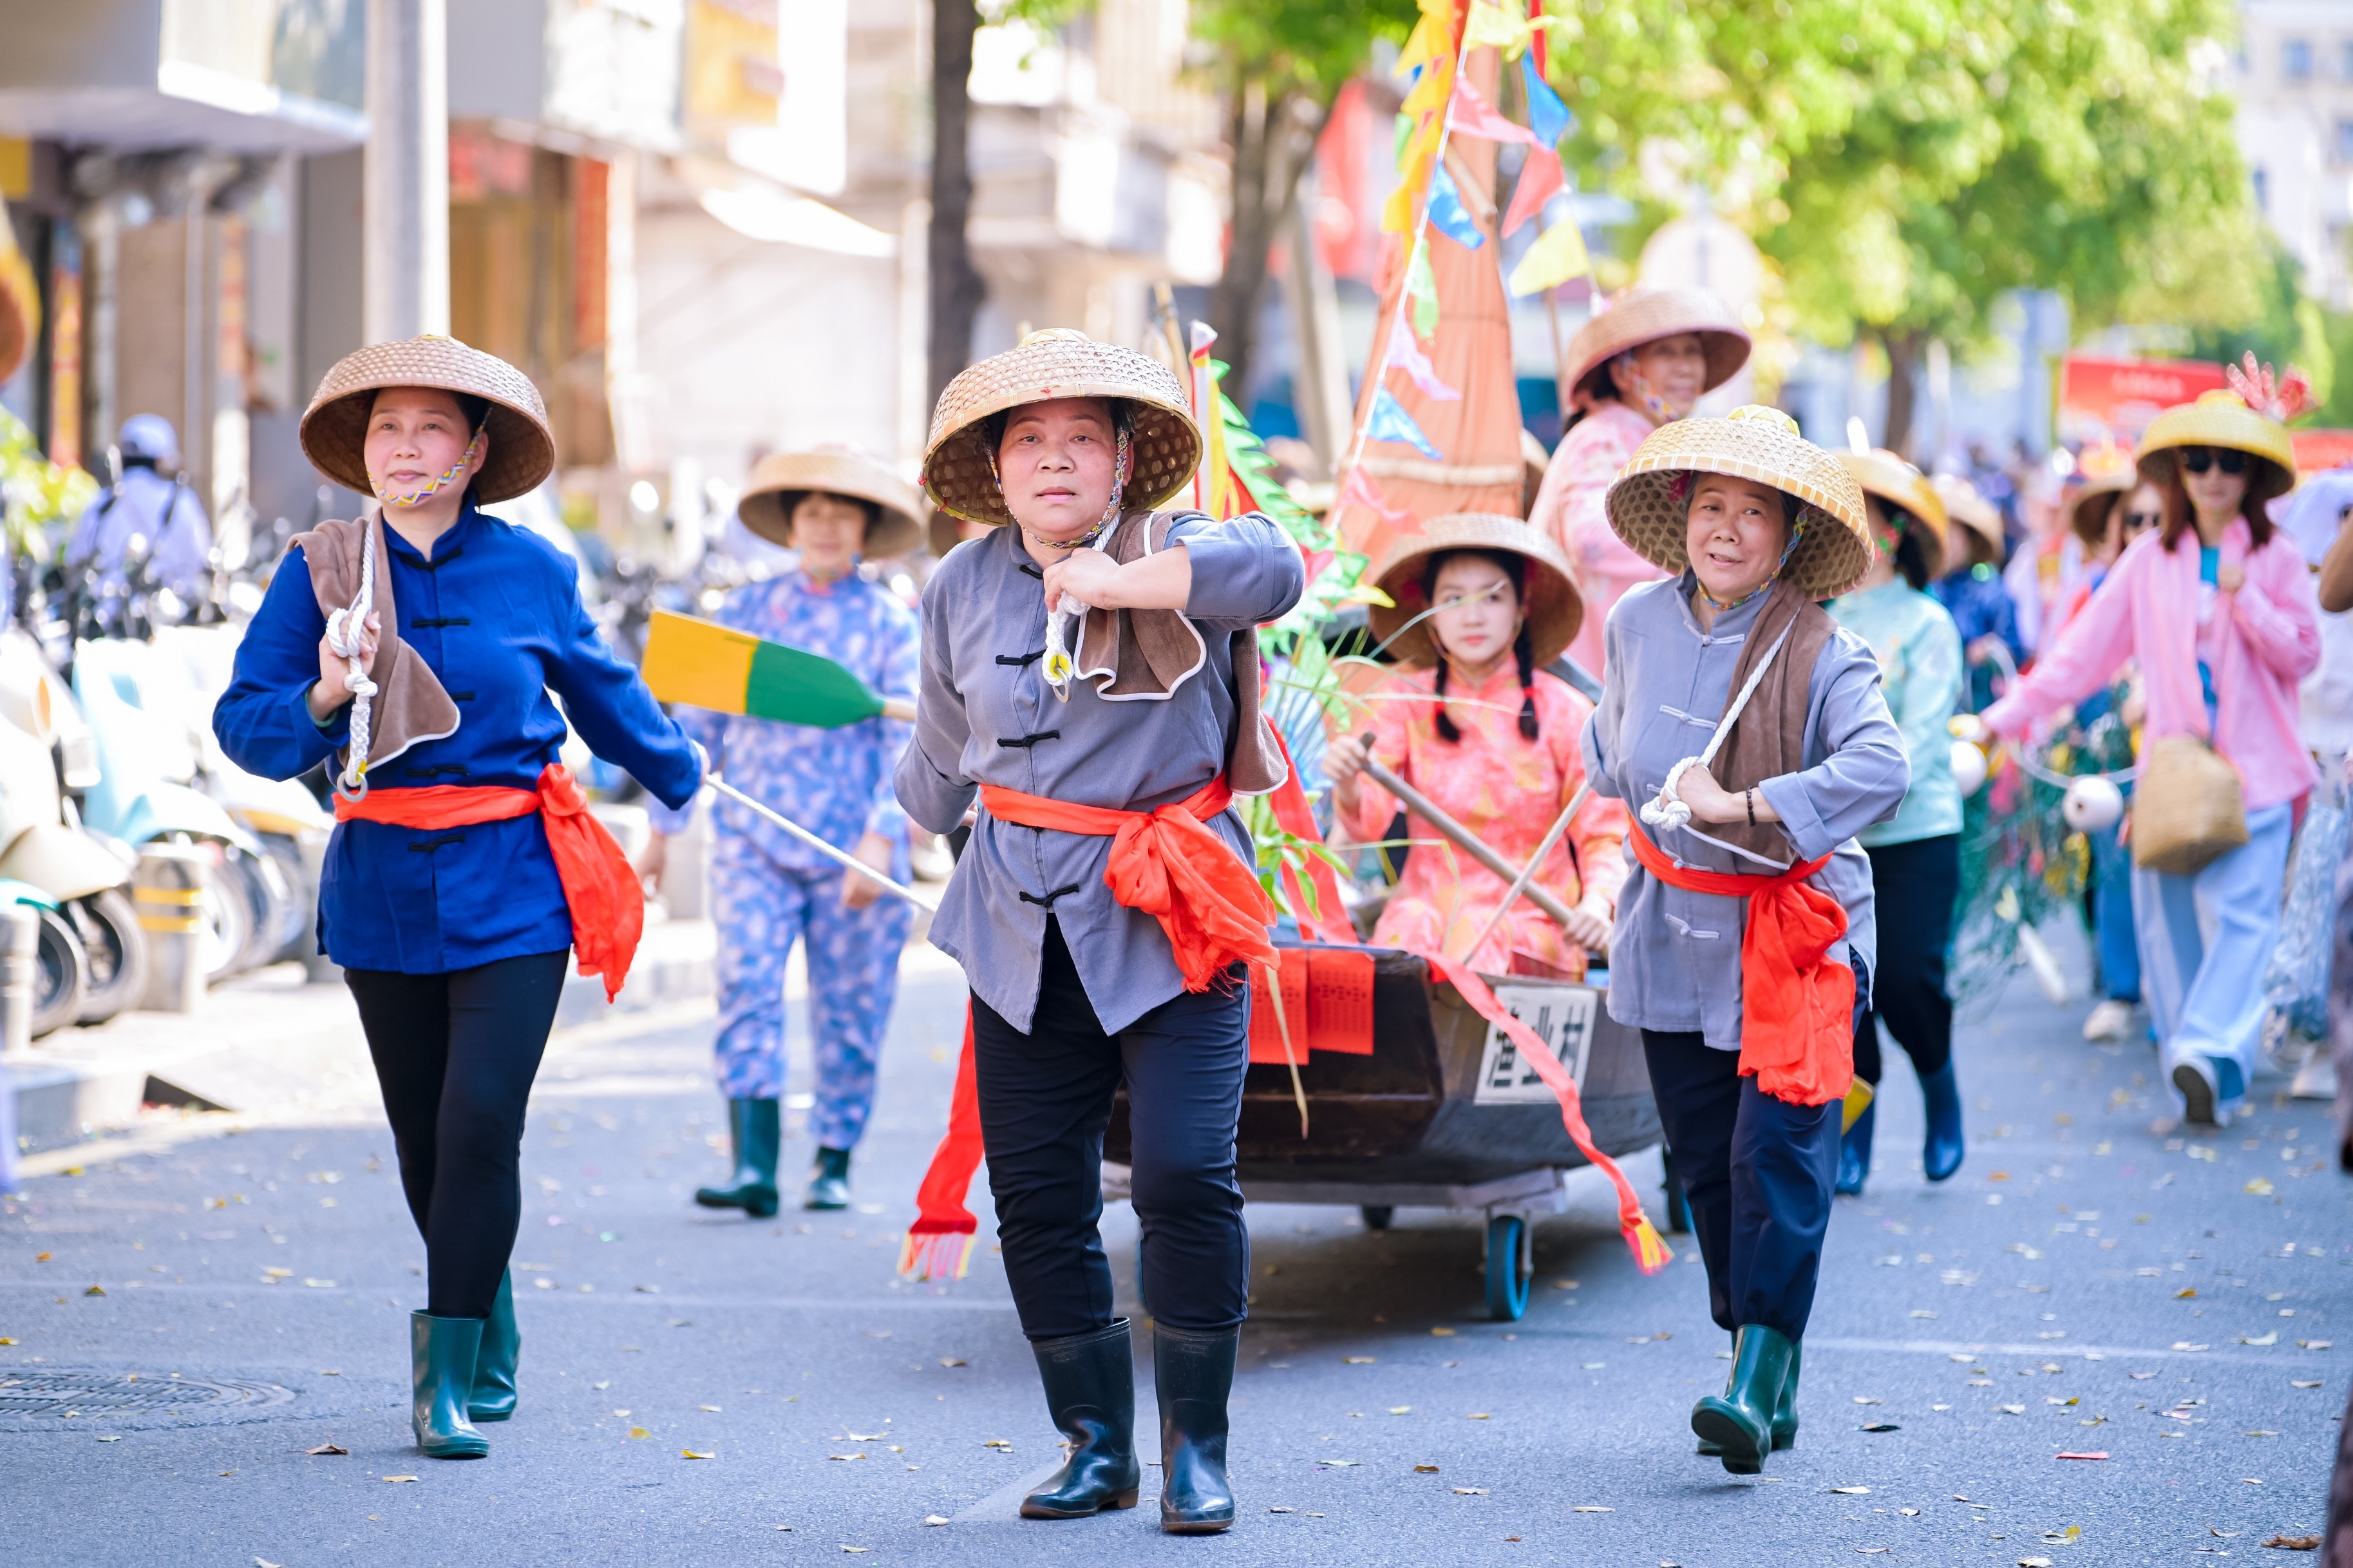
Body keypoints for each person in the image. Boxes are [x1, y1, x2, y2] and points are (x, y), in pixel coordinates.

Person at [213, 335, 702, 1459]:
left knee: (481, 1120)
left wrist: (680, 780)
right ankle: (485, 1304)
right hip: (380, 884)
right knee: (426, 1146)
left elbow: (602, 688)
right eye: (387, 428)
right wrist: (328, 688)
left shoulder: (534, 570)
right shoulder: (319, 568)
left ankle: (439, 1380)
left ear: (475, 451)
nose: (405, 447)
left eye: (431, 427)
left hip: (514, 881)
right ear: (364, 452)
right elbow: (244, 723)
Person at [895, 328, 1303, 1533]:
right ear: (997, 469)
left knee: (1182, 1174)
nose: (1055, 460)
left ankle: (1196, 1452)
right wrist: (901, 818)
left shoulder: (1177, 549)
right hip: (1012, 916)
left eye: (1083, 438)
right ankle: (1092, 1446)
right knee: (1036, 1195)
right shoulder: (958, 587)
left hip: (1167, 906)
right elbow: (935, 753)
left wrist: (1120, 585)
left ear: (1125, 465)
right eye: (1029, 441)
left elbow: (1276, 569)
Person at [1582, 405, 1906, 1474]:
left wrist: (1744, 804)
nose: (1726, 530)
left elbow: (1880, 769)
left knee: (1776, 1159)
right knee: (1708, 1176)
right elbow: (1603, 755)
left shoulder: (1823, 649)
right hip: (1667, 936)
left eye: (1751, 513)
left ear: (1787, 534)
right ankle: (1763, 1365)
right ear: (1679, 517)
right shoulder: (1629, 624)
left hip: (1795, 938)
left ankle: (1750, 1378)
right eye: (1708, 506)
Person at [1975, 379, 2321, 1126]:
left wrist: (2246, 598)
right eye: (2198, 460)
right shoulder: (2148, 560)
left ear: (2254, 473)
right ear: (2177, 473)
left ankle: (2204, 1045)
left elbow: (2303, 655)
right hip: (2171, 772)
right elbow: (2078, 659)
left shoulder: (2277, 556)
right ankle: (2202, 1076)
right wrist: (2001, 720)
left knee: (2247, 920)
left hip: (2258, 777)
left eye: (2231, 461)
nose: (2215, 475)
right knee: (2165, 927)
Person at [642, 448, 921, 1216]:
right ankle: (753, 1166)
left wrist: (882, 838)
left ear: (865, 529)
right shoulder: (745, 615)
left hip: (851, 852)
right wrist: (664, 829)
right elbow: (693, 731)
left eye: (842, 514)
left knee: (853, 1009)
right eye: (811, 514)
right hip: (753, 838)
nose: (826, 527)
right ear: (791, 527)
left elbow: (913, 742)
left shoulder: (894, 626)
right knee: (747, 989)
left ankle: (834, 1158)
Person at [1324, 513, 1625, 977]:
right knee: (1403, 942)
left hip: (1533, 920)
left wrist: (1598, 902)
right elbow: (1368, 821)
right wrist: (1348, 781)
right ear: (1429, 611)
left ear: (1522, 607)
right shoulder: (1404, 702)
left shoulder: (1566, 709)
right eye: (1454, 599)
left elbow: (1603, 831)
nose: (1472, 614)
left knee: (1478, 932)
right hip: (1424, 911)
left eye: (1492, 596)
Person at [1827, 449, 1965, 1195]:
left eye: (1863, 517)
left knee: (1908, 980)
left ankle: (1941, 1091)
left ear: (1896, 529)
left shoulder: (1927, 621)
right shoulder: (1811, 620)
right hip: (1827, 842)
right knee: (1844, 993)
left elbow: (1920, 733)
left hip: (1915, 833)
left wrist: (1846, 791)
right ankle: (1855, 1135)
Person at [1525, 286, 1750, 677]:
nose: (1686, 368)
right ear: (1622, 371)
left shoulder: (1652, 441)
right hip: (1584, 673)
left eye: (1692, 352)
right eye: (1666, 352)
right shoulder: (1602, 436)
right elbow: (1590, 539)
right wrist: (1700, 549)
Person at [65, 413, 216, 620]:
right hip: (168, 620)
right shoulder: (182, 500)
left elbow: (75, 560)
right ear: (163, 459)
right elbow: (200, 560)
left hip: (103, 621)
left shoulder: (100, 501)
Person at [1929, 471, 2023, 713]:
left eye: (1953, 533)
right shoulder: (1926, 585)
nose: (1947, 543)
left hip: (1977, 706)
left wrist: (1988, 649)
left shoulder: (1990, 588)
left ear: (1969, 537)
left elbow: (2014, 649)